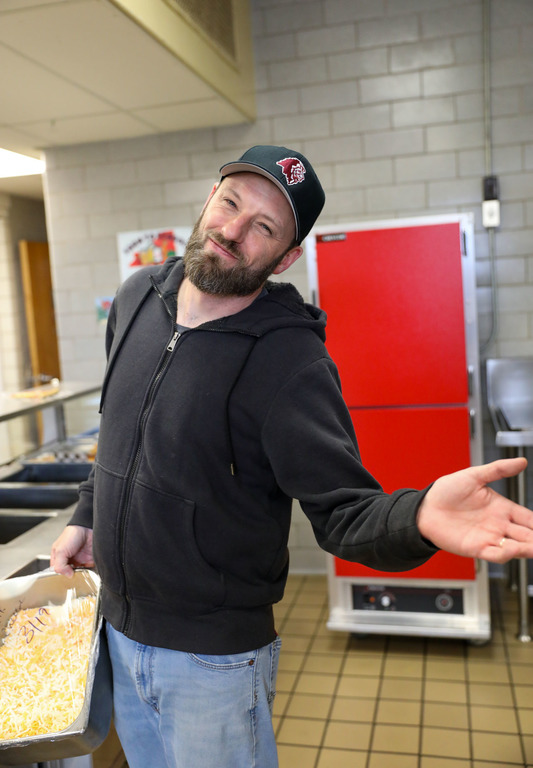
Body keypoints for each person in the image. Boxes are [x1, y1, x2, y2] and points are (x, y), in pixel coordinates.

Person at [51, 145, 532, 768]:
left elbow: (344, 512)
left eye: (264, 228)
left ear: (286, 257)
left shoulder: (291, 362)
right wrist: (86, 515)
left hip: (212, 664)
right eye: (230, 204)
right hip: (115, 628)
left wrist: (417, 517)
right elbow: (115, 431)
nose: (232, 231)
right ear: (209, 198)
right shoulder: (137, 296)